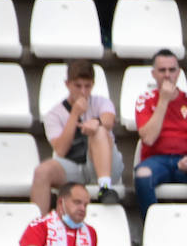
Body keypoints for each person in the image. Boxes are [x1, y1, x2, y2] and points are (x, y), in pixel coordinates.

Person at [132, 50, 187, 221]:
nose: (167, 75)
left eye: (172, 70)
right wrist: (163, 100)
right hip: (156, 160)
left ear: (178, 73)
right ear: (153, 74)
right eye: (162, 70)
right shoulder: (145, 100)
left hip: (185, 160)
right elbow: (148, 138)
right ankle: (152, 231)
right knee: (142, 175)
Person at [31, 59, 122, 209]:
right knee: (41, 172)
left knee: (99, 130)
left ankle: (105, 188)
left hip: (105, 166)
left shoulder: (101, 102)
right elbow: (60, 150)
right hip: (74, 166)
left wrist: (96, 122)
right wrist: (74, 115)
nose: (83, 92)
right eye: (78, 86)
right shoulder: (54, 114)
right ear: (67, 84)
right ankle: (38, 227)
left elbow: (109, 120)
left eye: (87, 86)